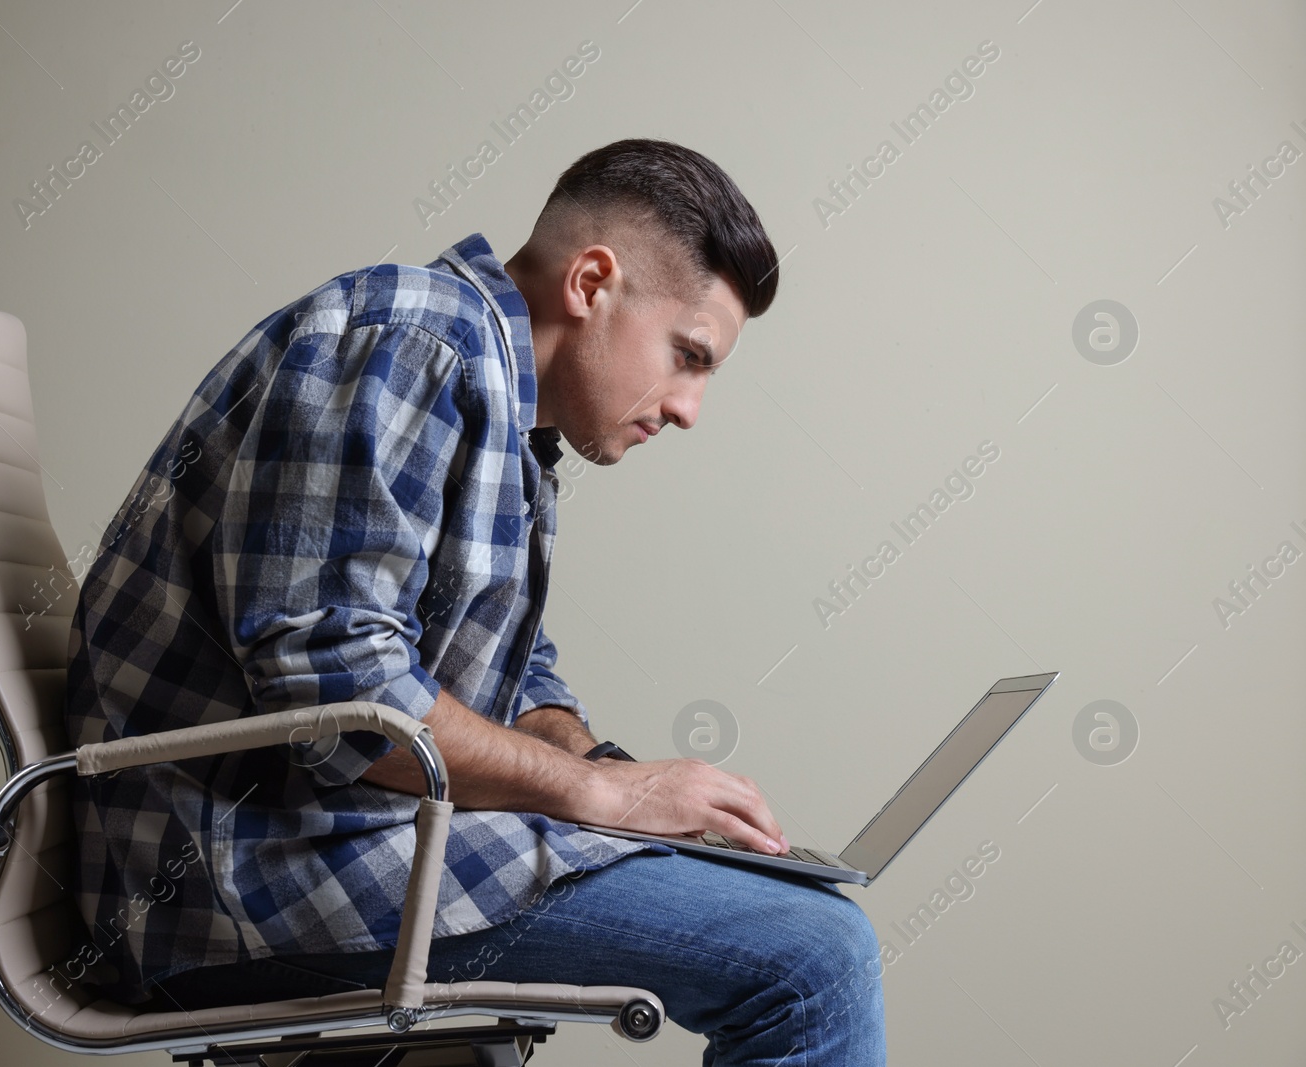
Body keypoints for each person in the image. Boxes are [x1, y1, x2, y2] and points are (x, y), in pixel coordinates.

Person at [65, 138, 886, 1064]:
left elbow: (506, 667)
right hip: (242, 872)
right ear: (591, 282)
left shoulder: (505, 415)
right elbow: (338, 697)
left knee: (802, 914)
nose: (689, 406)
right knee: (815, 958)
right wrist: (598, 792)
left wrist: (611, 771)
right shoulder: (409, 340)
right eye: (687, 355)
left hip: (339, 840)